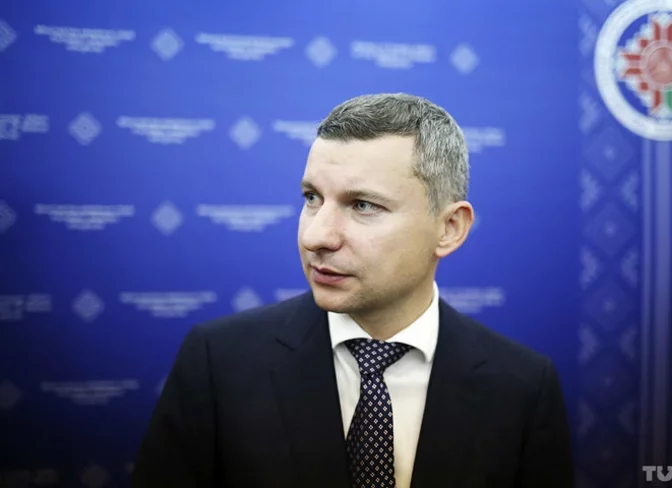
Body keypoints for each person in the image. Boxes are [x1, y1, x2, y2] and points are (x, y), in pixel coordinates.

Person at [131, 93, 573, 488]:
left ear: (449, 228)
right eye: (312, 198)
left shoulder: (522, 387)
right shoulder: (218, 362)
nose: (316, 237)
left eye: (363, 205)